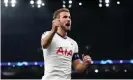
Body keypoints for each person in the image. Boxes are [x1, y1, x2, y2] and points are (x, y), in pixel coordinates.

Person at [41, 8, 92, 80]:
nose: (68, 19)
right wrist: (53, 30)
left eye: (69, 17)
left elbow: (78, 67)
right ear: (57, 21)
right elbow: (44, 44)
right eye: (65, 17)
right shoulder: (47, 34)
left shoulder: (73, 43)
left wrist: (85, 64)